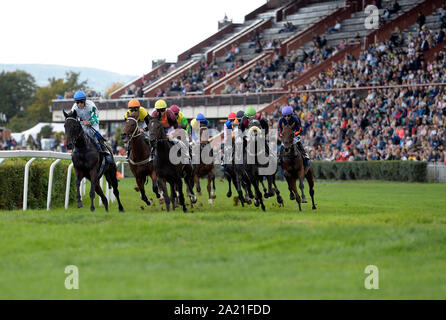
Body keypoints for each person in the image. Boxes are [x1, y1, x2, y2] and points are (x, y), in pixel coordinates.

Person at [70, 90, 112, 160]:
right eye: (77, 102)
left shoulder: (91, 105)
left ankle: (103, 148)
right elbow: (72, 117)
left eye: (81, 102)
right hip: (82, 124)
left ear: (85, 101)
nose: (79, 104)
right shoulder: (74, 107)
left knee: (95, 132)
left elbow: (96, 119)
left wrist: (89, 122)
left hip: (92, 124)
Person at [151, 99, 190, 164]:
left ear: (165, 109)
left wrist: (172, 135)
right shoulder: (154, 115)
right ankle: (151, 156)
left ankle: (186, 157)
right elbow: (153, 127)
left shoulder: (170, 115)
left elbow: (177, 128)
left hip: (170, 129)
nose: (160, 113)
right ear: (156, 110)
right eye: (158, 110)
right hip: (160, 129)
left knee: (176, 140)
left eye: (162, 110)